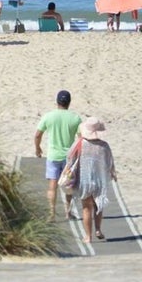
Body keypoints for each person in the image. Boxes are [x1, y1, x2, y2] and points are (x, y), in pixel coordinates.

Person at [33, 90, 82, 219]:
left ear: (57, 102)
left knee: (52, 186)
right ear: (69, 103)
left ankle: (52, 213)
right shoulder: (75, 118)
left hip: (53, 156)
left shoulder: (48, 116)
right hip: (69, 157)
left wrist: (37, 148)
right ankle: (68, 212)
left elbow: (38, 135)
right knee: (68, 185)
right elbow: (81, 138)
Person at [72, 117, 117, 242]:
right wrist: (112, 173)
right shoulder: (104, 146)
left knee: (86, 208)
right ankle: (98, 229)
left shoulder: (79, 143)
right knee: (98, 205)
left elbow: (70, 159)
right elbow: (110, 162)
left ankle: (88, 236)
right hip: (100, 180)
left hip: (84, 180)